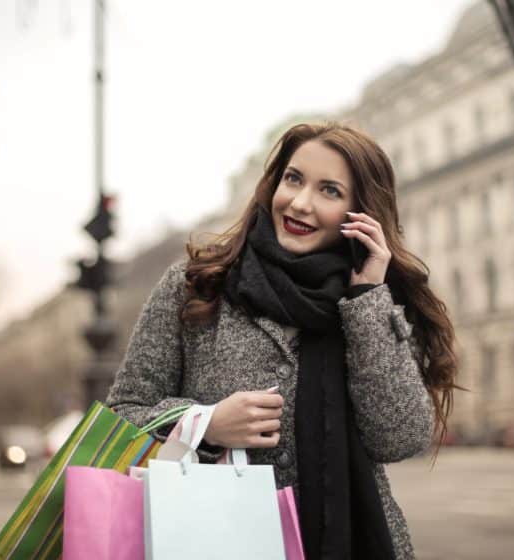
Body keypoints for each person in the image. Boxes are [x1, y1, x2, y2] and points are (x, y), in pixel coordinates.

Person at [106, 122, 458, 559]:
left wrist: (366, 298)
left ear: (360, 213)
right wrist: (206, 424)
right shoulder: (196, 287)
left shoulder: (372, 303)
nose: (300, 203)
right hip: (214, 541)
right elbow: (122, 416)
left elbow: (400, 439)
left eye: (329, 191)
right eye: (293, 179)